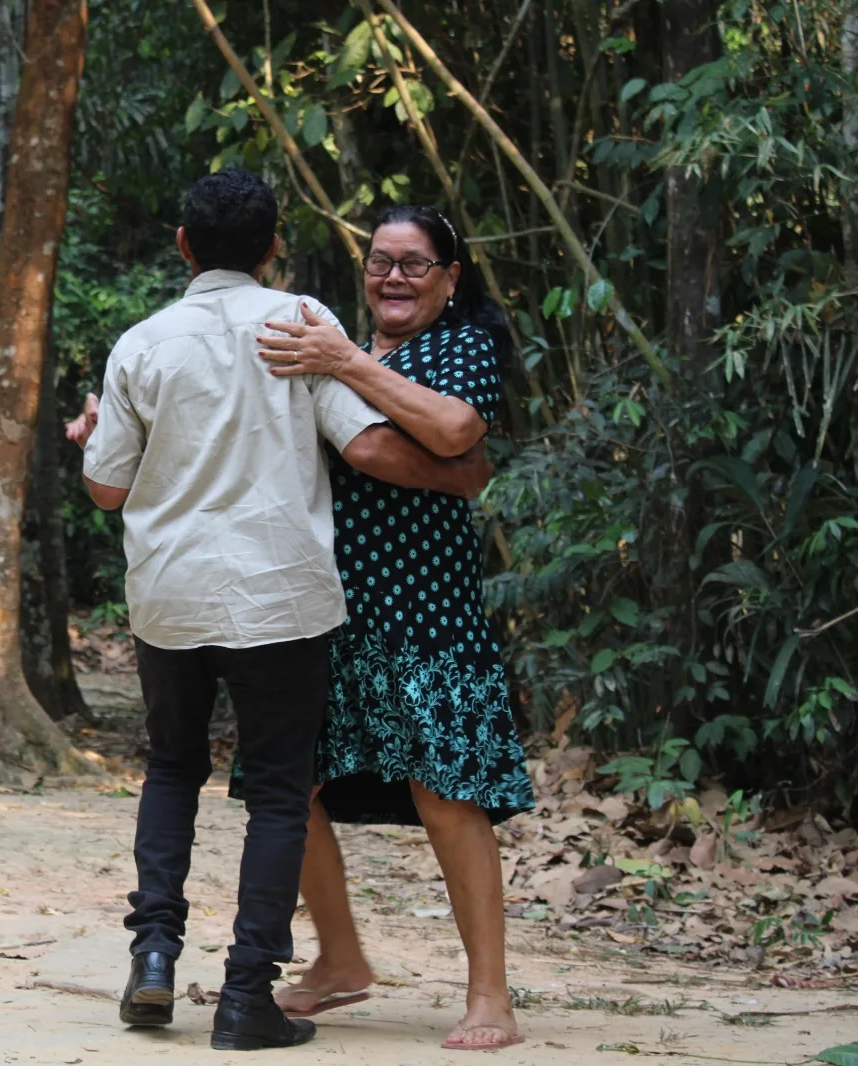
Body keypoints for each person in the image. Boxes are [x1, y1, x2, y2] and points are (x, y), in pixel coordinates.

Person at [66, 171, 492, 1052]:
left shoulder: (141, 344)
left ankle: (152, 960)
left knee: (173, 771)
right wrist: (459, 476)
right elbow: (369, 445)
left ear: (183, 243)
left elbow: (107, 489)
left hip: (173, 600)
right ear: (272, 247)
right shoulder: (301, 325)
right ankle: (246, 999)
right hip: (283, 600)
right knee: (277, 797)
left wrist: (108, 441)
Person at [246, 203, 535, 1051]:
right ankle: (340, 962)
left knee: (447, 796)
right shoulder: (343, 352)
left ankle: (491, 996)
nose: (393, 278)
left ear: (451, 277)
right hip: (324, 608)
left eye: (414, 264)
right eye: (380, 262)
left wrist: (342, 362)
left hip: (424, 609)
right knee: (286, 787)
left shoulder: (460, 348)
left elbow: (453, 430)